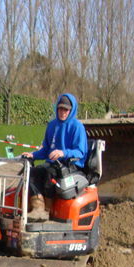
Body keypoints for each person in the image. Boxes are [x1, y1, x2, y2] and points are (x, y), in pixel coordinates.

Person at [21, 93, 88, 221]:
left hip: (71, 164)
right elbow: (46, 149)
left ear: (71, 110)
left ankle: (48, 210)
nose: (62, 112)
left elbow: (80, 152)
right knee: (32, 172)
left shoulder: (77, 127)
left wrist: (63, 153)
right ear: (56, 108)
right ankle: (38, 208)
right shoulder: (52, 125)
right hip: (54, 163)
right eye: (60, 108)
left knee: (49, 172)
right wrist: (33, 155)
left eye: (66, 109)